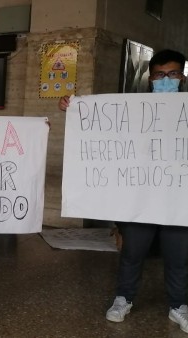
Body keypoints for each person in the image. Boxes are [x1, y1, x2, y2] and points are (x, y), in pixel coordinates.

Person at [59, 49, 188, 333]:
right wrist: (75, 108)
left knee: (179, 259)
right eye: (160, 75)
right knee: (132, 255)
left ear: (183, 77)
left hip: (179, 203)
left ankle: (179, 305)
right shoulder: (131, 109)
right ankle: (124, 298)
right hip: (138, 202)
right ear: (150, 79)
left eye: (173, 74)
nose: (166, 79)